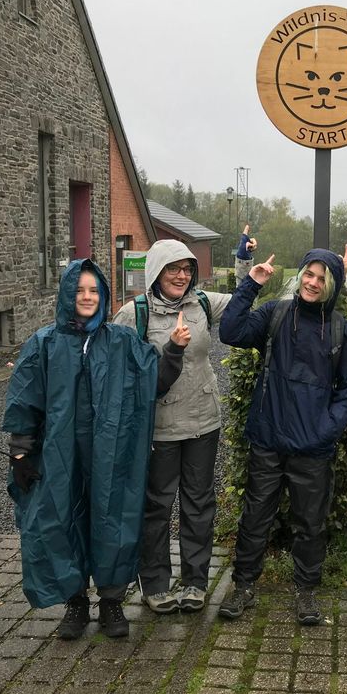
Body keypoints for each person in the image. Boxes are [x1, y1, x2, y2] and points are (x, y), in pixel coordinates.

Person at [3, 258, 188, 639]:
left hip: (111, 455)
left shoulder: (120, 343)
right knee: (60, 521)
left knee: (113, 519)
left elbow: (153, 381)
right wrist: (20, 451)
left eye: (93, 290)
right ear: (67, 295)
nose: (86, 297)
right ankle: (75, 604)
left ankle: (111, 603)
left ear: (103, 296)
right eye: (79, 290)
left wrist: (173, 350)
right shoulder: (44, 345)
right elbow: (26, 399)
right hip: (60, 455)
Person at [110, 229, 254, 614]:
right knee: (156, 506)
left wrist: (244, 261)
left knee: (199, 504)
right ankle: (155, 584)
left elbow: (243, 298)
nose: (181, 275)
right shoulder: (134, 313)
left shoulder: (203, 303)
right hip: (158, 427)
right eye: (172, 268)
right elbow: (115, 369)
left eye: (186, 268)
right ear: (156, 271)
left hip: (203, 422)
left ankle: (195, 581)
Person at [217, 249, 347, 624]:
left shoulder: (341, 330)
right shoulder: (275, 314)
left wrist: (326, 429)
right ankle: (244, 586)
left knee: (310, 523)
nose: (312, 283)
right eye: (308, 275)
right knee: (254, 517)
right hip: (269, 438)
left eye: (321, 278)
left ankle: (306, 591)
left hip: (312, 448)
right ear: (300, 276)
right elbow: (230, 331)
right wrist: (252, 283)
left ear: (331, 285)